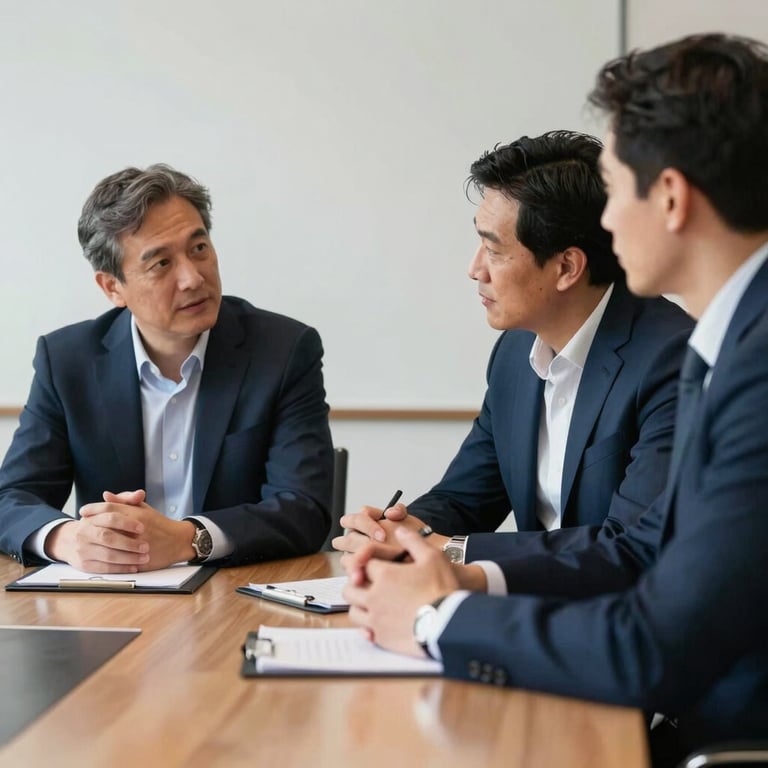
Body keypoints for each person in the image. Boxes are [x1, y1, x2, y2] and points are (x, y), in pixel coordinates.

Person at [344, 33, 768, 765]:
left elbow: (650, 634)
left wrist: (439, 615)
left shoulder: (745, 365)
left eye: (616, 187)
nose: (605, 220)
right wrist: (421, 542)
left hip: (711, 729)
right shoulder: (727, 343)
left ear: (669, 196)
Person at [335, 130, 692, 564]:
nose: (474, 270)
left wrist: (447, 551)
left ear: (566, 267)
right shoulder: (514, 354)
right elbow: (465, 498)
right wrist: (397, 531)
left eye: (493, 249)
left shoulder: (673, 360)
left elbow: (630, 546)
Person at [0, 164, 333, 572]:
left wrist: (188, 538)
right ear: (112, 287)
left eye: (199, 249)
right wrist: (68, 539)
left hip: (232, 597)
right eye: (160, 264)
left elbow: (304, 509)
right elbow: (10, 498)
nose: (193, 278)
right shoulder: (68, 360)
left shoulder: (282, 351)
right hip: (111, 602)